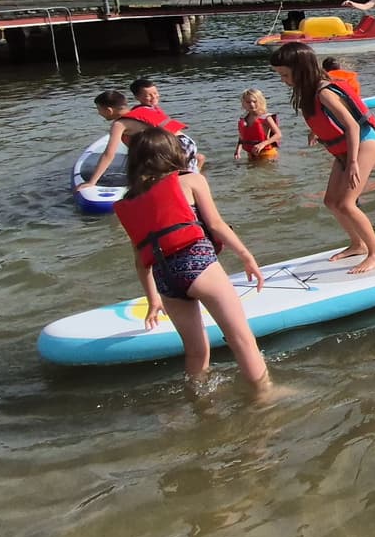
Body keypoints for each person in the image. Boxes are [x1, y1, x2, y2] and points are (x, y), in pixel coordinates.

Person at [115, 128, 270, 390]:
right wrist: (246, 256)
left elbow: (141, 260)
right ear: (172, 152)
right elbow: (217, 225)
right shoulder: (189, 180)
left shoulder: (129, 200)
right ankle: (266, 396)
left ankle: (199, 404)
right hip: (198, 264)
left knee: (196, 352)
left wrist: (153, 299)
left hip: (166, 280)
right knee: (241, 339)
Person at [270, 42, 375, 275]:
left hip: (363, 144)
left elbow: (353, 126)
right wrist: (317, 130)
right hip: (344, 148)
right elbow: (330, 121)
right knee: (331, 202)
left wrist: (352, 162)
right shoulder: (309, 91)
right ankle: (358, 244)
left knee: (346, 203)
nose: (282, 79)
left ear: (300, 69)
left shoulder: (324, 92)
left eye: (284, 74)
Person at [80, 89, 200, 194]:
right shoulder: (140, 110)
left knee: (181, 185)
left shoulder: (119, 124)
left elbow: (109, 154)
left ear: (109, 110)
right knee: (189, 177)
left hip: (176, 146)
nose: (98, 113)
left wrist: (92, 182)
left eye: (99, 109)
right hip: (186, 142)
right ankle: (196, 161)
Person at [234, 88, 282, 162]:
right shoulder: (244, 119)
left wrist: (262, 144)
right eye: (248, 102)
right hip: (250, 154)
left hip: (267, 154)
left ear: (260, 101)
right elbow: (241, 137)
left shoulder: (265, 117)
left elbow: (278, 134)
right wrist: (238, 150)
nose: (252, 104)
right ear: (243, 104)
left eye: (254, 101)